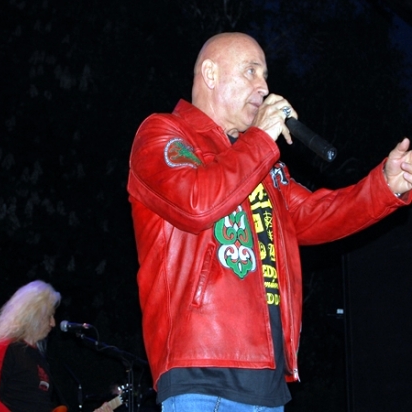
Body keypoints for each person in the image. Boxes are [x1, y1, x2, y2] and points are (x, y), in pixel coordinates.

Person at [126, 32, 412, 411]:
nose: (263, 87)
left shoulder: (260, 161)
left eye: (265, 75)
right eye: (251, 71)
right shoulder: (162, 134)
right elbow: (196, 205)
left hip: (268, 382)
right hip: (202, 372)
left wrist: (385, 186)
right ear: (210, 74)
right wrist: (261, 139)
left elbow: (313, 215)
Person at [0, 280, 115, 412]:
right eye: (49, 316)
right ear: (34, 315)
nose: (53, 323)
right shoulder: (5, 347)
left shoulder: (41, 359)